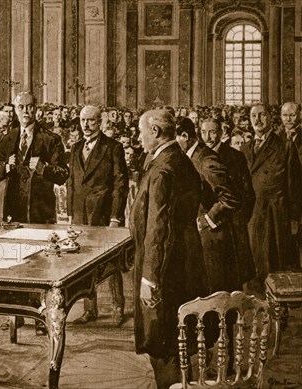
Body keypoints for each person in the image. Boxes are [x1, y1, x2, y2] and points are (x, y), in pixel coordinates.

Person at [130, 108, 209, 389]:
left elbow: (157, 229)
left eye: (140, 132)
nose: (138, 138)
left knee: (162, 342)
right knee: (178, 337)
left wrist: (149, 278)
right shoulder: (179, 159)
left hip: (165, 267)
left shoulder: (164, 167)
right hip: (183, 260)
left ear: (154, 132)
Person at [67, 105, 129, 325]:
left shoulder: (113, 147)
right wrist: (70, 215)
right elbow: (72, 183)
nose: (86, 125)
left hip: (103, 214)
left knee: (111, 264)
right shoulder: (75, 148)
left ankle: (117, 308)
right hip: (79, 216)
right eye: (83, 120)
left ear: (100, 122)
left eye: (91, 121)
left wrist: (115, 217)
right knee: (84, 265)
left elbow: (120, 184)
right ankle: (89, 309)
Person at [176, 117, 243, 292]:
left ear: (185, 136)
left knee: (216, 291)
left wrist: (207, 219)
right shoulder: (189, 156)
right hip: (198, 236)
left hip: (212, 236)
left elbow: (231, 197)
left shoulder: (206, 160)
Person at [241, 103, 302, 289]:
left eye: (262, 115)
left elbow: (295, 186)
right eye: (253, 116)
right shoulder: (244, 148)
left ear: (270, 118)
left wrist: (293, 218)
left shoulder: (284, 146)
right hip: (251, 215)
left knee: (273, 270)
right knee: (252, 268)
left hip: (275, 217)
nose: (257, 120)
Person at [0, 92, 69, 224]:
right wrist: (6, 166)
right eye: (21, 107)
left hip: (40, 211)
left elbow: (63, 174)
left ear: (35, 108)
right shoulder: (8, 138)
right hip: (14, 209)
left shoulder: (50, 139)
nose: (25, 111)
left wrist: (44, 168)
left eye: (29, 106)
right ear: (15, 110)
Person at [199, 117, 256, 290]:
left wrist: (238, 221)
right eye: (203, 132)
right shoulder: (198, 156)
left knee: (232, 280)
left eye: (212, 132)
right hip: (208, 229)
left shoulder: (235, 157)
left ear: (221, 133)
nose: (207, 137)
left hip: (231, 227)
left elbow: (247, 195)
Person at [279, 102, 302, 264]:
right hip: (284, 197)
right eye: (285, 115)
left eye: (292, 115)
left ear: (299, 116)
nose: (288, 119)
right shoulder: (276, 138)